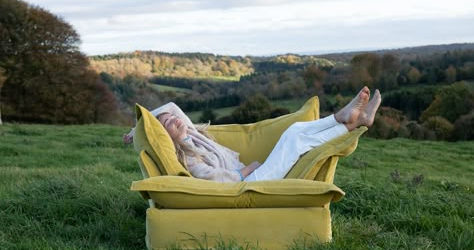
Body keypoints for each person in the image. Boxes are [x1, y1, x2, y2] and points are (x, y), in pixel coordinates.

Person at [123, 87, 381, 182]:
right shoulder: (186, 155)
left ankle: (342, 119)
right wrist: (244, 172)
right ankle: (349, 122)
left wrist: (141, 125)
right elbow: (213, 179)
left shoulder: (191, 133)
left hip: (253, 176)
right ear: (167, 136)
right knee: (294, 140)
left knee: (293, 130)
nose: (175, 118)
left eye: (174, 118)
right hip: (248, 183)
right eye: (168, 123)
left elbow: (169, 107)